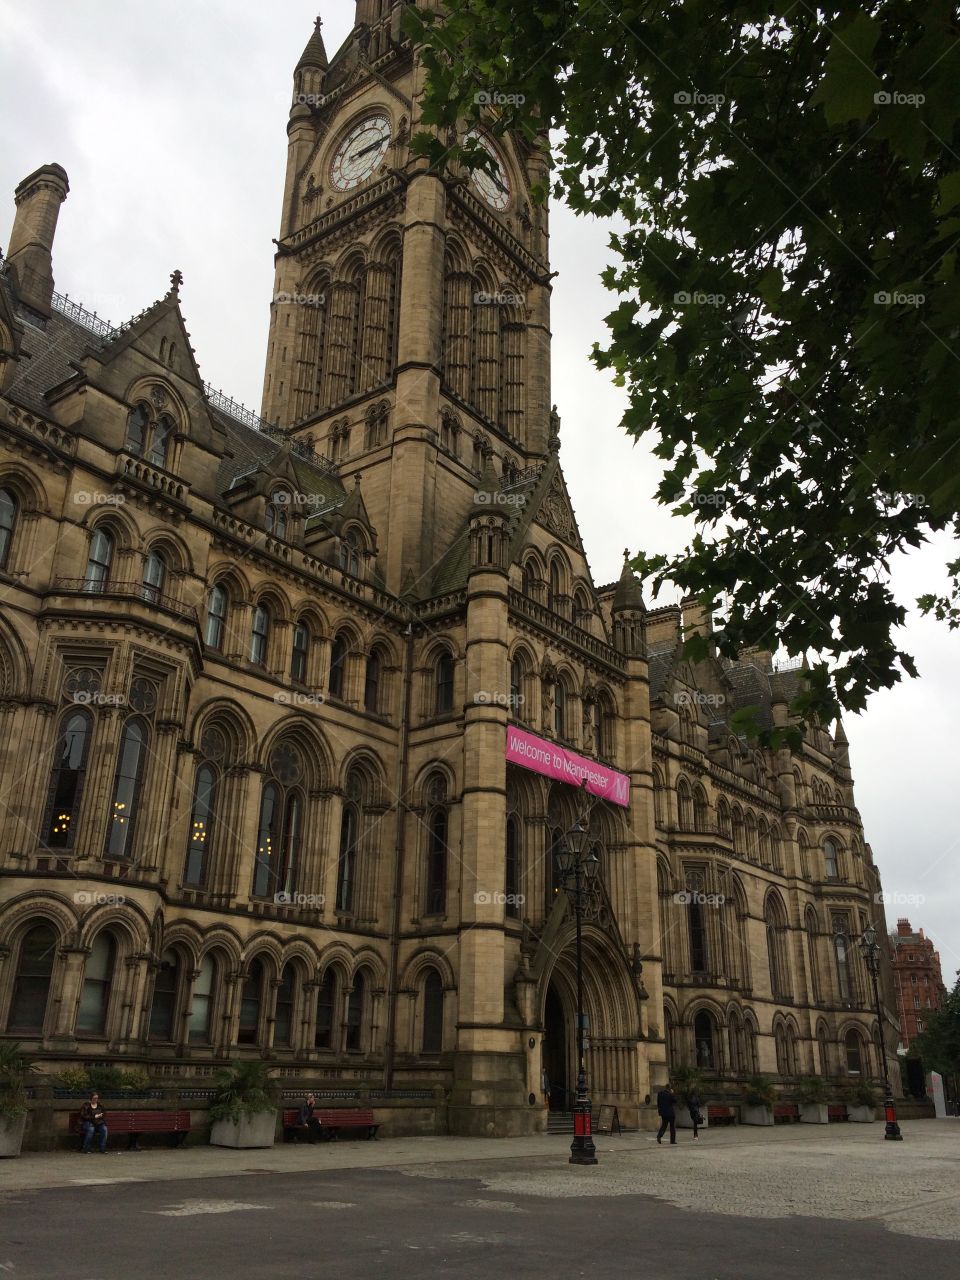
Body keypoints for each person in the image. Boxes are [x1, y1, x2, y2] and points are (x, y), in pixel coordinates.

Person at [656, 1081, 677, 1145]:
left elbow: (658, 1103)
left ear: (665, 1087)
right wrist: (673, 1093)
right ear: (670, 1088)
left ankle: (659, 1136)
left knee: (664, 1125)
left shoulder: (660, 1094)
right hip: (670, 1113)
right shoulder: (670, 1094)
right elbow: (675, 1101)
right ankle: (672, 1141)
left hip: (663, 1113)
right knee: (672, 1127)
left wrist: (660, 1112)